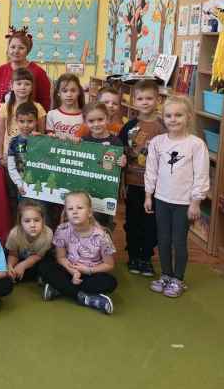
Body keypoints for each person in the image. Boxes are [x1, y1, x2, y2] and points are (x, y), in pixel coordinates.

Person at [145, 96, 210, 298]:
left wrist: (196, 202)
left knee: (178, 241)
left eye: (178, 115)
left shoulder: (196, 145)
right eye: (169, 115)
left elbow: (201, 175)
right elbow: (151, 170)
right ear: (162, 118)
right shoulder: (157, 142)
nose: (173, 119)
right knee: (163, 240)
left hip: (184, 203)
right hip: (162, 199)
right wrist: (149, 195)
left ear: (188, 117)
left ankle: (178, 279)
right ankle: (165, 274)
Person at [39, 191, 117, 315]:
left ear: (90, 212)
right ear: (66, 213)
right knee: (44, 265)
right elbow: (61, 257)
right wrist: (72, 271)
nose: (75, 211)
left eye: (80, 208)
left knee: (110, 282)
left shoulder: (102, 236)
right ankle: (85, 297)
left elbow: (109, 265)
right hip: (69, 270)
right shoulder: (62, 229)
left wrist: (88, 270)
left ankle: (60, 289)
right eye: (70, 209)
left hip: (90, 273)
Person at [119, 79, 166, 277]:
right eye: (140, 98)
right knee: (132, 220)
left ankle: (146, 257)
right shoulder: (129, 126)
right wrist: (121, 182)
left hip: (156, 186)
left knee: (151, 222)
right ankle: (133, 256)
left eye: (149, 98)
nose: (145, 102)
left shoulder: (164, 126)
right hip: (133, 183)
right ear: (134, 101)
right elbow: (118, 152)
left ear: (158, 100)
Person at [0, 27, 51, 149]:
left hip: (28, 130)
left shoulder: (38, 72)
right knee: (4, 162)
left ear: (27, 50)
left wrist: (41, 130)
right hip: (3, 130)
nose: (16, 51)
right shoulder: (2, 70)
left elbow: (45, 102)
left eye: (21, 48)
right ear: (8, 48)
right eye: (13, 47)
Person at [0, 68, 46, 159]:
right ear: (11, 86)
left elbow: (41, 134)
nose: (23, 87)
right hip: (9, 156)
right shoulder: (4, 108)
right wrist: (0, 156)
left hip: (30, 155)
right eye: (19, 84)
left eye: (27, 84)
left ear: (32, 87)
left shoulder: (38, 108)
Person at [5, 200, 53, 283]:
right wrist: (10, 267)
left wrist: (23, 265)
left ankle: (40, 276)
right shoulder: (14, 233)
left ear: (43, 220)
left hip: (37, 260)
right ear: (20, 223)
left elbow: (38, 256)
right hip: (18, 257)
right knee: (5, 269)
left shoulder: (48, 234)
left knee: (48, 262)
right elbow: (13, 254)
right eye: (27, 221)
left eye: (37, 220)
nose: (32, 225)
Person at [5, 101, 40, 211]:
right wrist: (19, 183)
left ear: (36, 121)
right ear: (16, 121)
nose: (26, 125)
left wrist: (44, 138)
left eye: (30, 121)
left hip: (39, 185)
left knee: (38, 211)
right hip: (22, 186)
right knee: (24, 211)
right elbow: (11, 166)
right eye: (22, 121)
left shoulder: (41, 140)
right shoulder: (14, 142)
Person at [45, 73, 84, 140]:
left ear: (79, 92)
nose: (69, 94)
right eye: (65, 91)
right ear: (58, 93)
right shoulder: (51, 114)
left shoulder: (85, 116)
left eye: (73, 90)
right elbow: (49, 140)